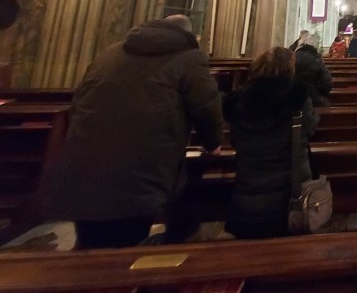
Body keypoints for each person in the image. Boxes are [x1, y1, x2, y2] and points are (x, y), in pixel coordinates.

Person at [42, 15, 223, 249]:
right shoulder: (190, 59)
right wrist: (213, 142)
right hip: (142, 165)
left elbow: (79, 102)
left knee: (89, 243)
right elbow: (205, 107)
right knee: (125, 244)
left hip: (87, 159)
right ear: (189, 35)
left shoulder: (110, 53)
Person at [223, 47, 318, 239]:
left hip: (249, 190)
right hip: (292, 191)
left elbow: (233, 138)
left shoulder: (238, 101)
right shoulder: (297, 97)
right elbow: (309, 129)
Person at [294, 32, 333, 106]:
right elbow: (327, 83)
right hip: (313, 98)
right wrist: (319, 92)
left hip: (293, 99)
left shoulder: (291, 58)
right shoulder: (317, 60)